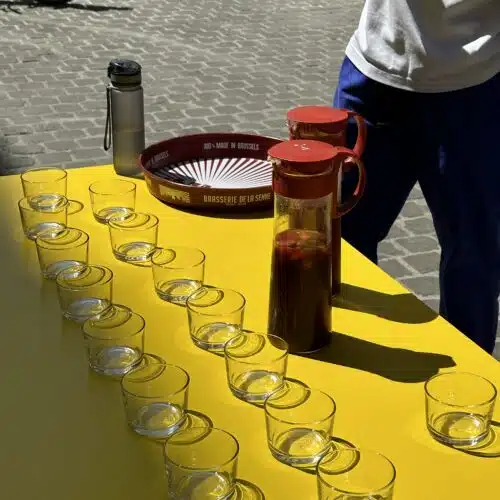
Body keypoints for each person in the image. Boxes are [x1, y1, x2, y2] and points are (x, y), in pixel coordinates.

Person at [335, 1, 500, 354]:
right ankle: (348, 362)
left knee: (472, 261)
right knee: (342, 240)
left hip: (473, 80)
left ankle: (468, 381)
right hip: (374, 68)